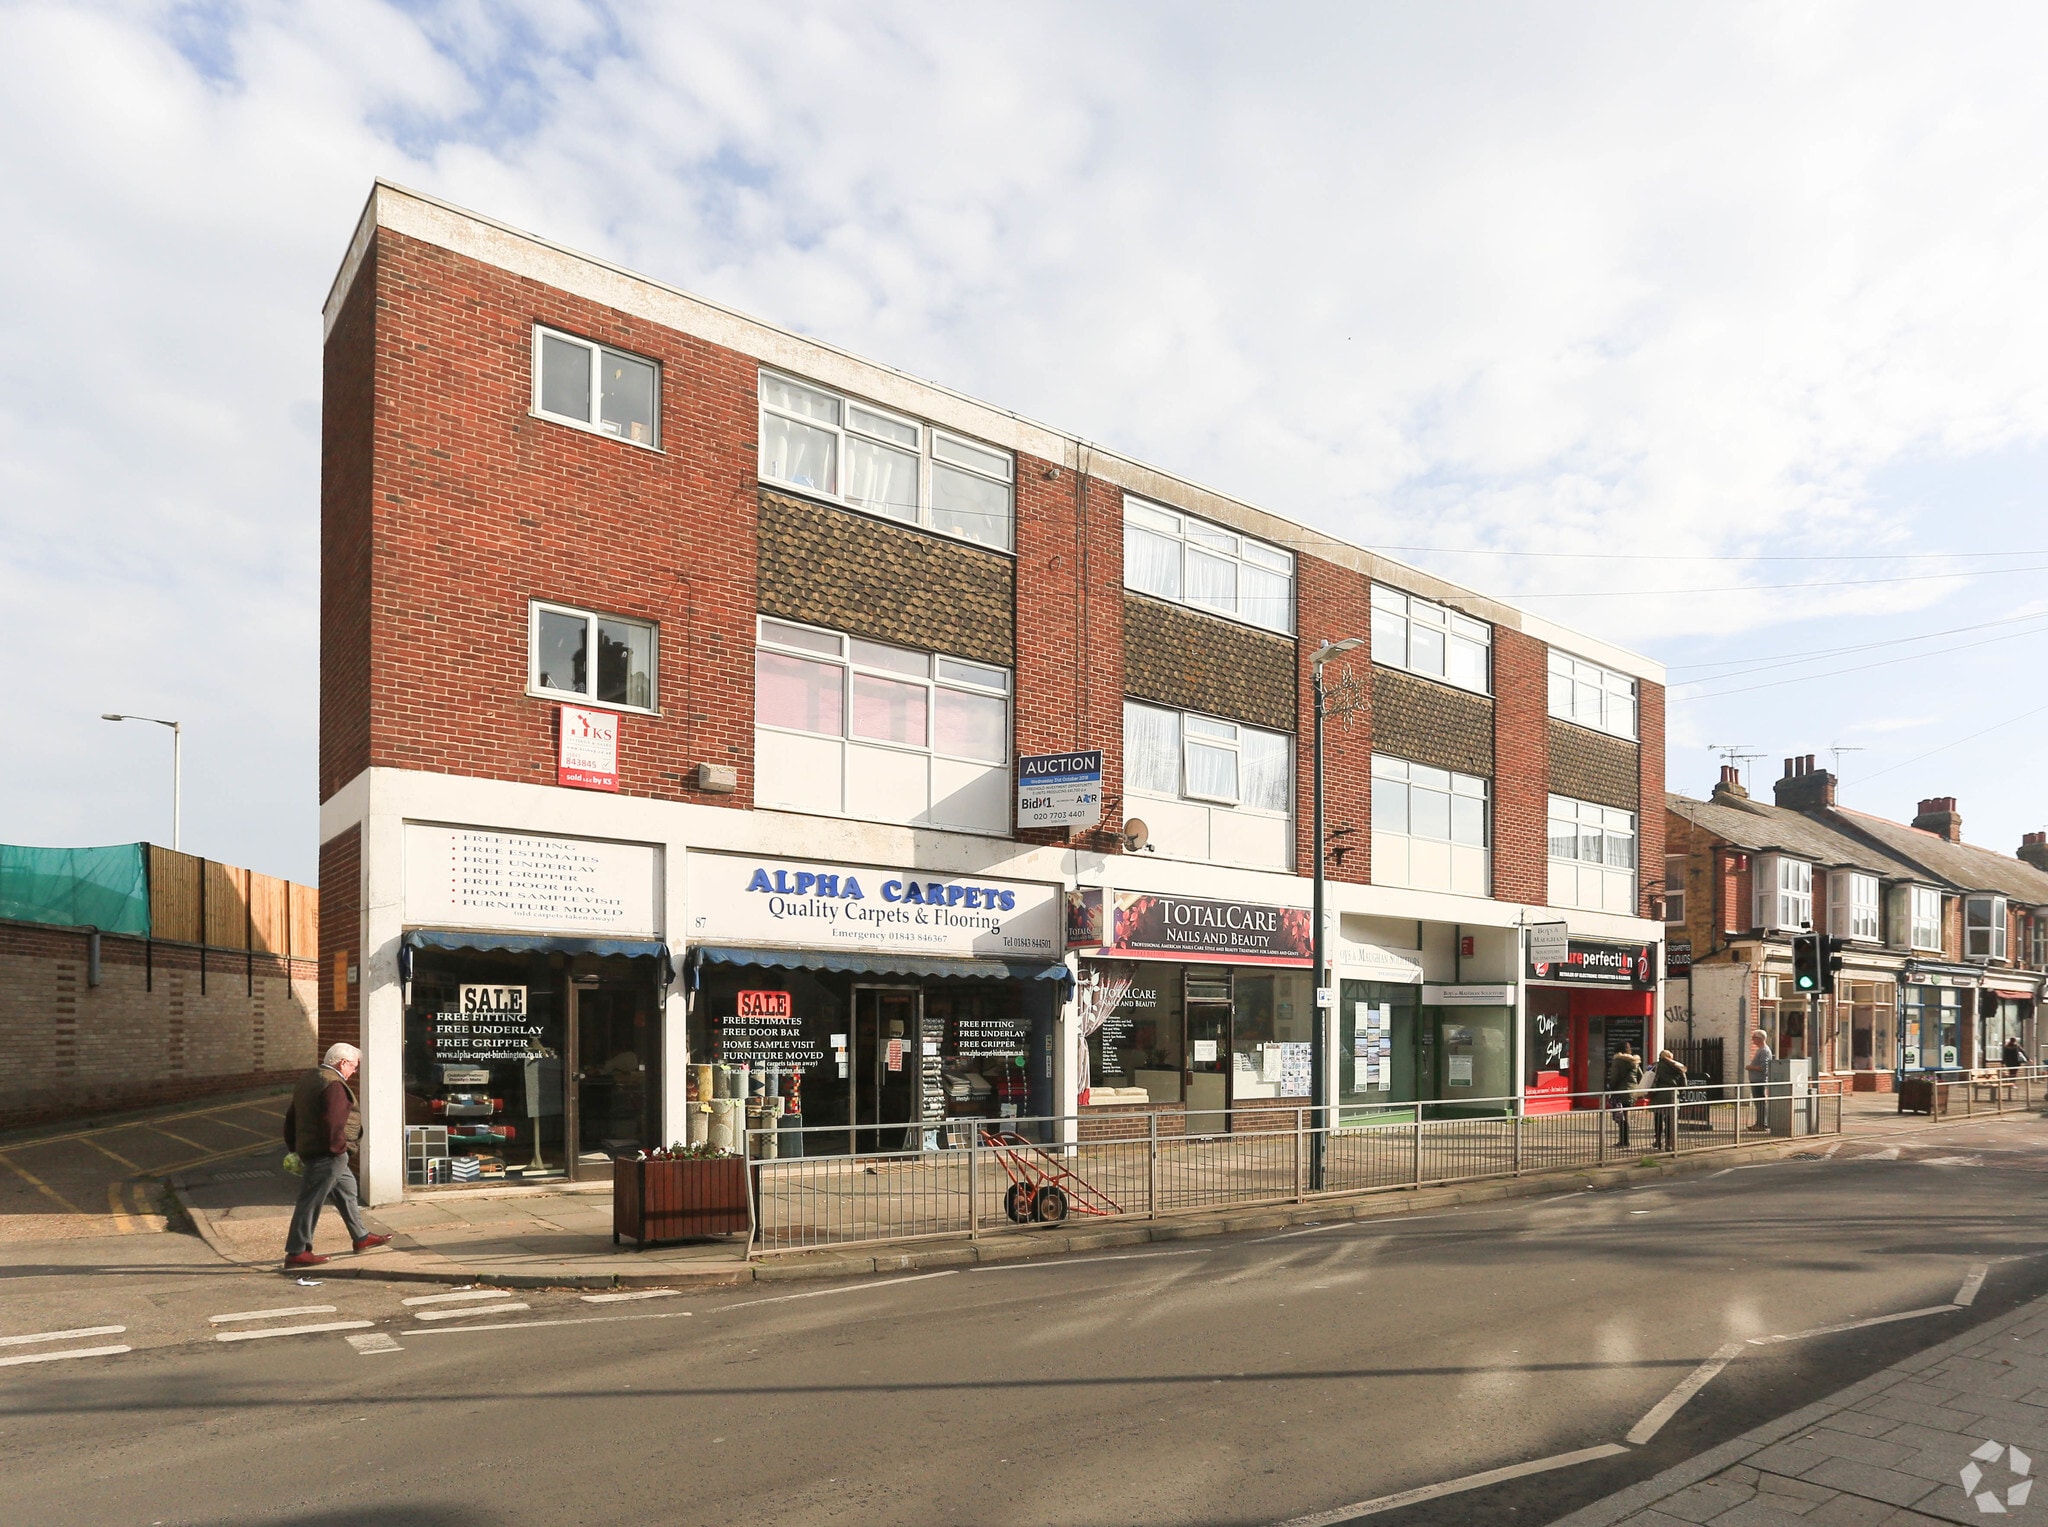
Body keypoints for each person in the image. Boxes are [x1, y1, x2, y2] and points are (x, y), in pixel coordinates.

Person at [282, 1042, 391, 1269]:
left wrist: (294, 1146)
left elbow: (292, 1115)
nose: (354, 1071)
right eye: (354, 1066)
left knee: (348, 1190)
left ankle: (361, 1237)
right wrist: (337, 1149)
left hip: (314, 1149)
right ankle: (297, 1251)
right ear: (343, 1063)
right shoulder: (334, 1085)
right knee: (310, 1201)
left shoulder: (310, 1078)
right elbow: (334, 1121)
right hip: (328, 1154)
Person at [1606, 1041, 1644, 1148]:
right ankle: (1625, 1141)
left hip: (1620, 1092)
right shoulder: (1634, 1062)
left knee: (1621, 1117)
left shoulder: (1617, 1061)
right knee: (1625, 1116)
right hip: (1631, 1093)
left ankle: (1624, 1141)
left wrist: (1611, 1088)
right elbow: (1641, 1076)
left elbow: (1615, 1077)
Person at [1649, 1048, 1688, 1151]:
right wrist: (1681, 1093)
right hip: (1673, 1096)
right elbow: (1684, 1082)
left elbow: (1650, 1078)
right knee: (1670, 1121)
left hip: (1659, 1095)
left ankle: (1657, 1141)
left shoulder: (1656, 1066)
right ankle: (1669, 1143)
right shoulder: (1678, 1067)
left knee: (1658, 1119)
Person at [1746, 1028, 1774, 1130]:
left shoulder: (1764, 1051)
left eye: (1754, 1038)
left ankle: (1762, 1124)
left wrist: (1750, 1067)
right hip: (1756, 1080)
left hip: (1759, 1080)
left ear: (1759, 1038)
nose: (1752, 1040)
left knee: (1760, 1103)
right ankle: (1760, 1123)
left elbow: (1764, 1068)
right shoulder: (1761, 1050)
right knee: (1758, 1103)